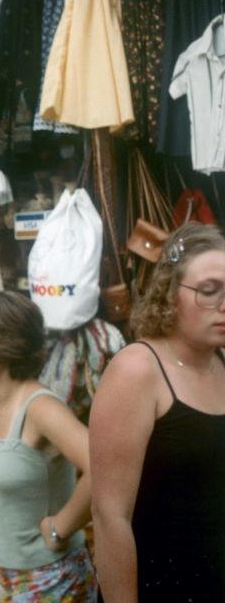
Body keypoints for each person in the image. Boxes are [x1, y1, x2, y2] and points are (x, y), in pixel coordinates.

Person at [90, 222, 225, 602]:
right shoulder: (138, 369)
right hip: (163, 585)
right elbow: (109, 515)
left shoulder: (221, 362)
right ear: (169, 294)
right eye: (208, 291)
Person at [0, 292, 96, 601]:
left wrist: (62, 526)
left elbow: (105, 468)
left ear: (5, 343)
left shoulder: (42, 408)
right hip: (9, 573)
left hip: (53, 576)